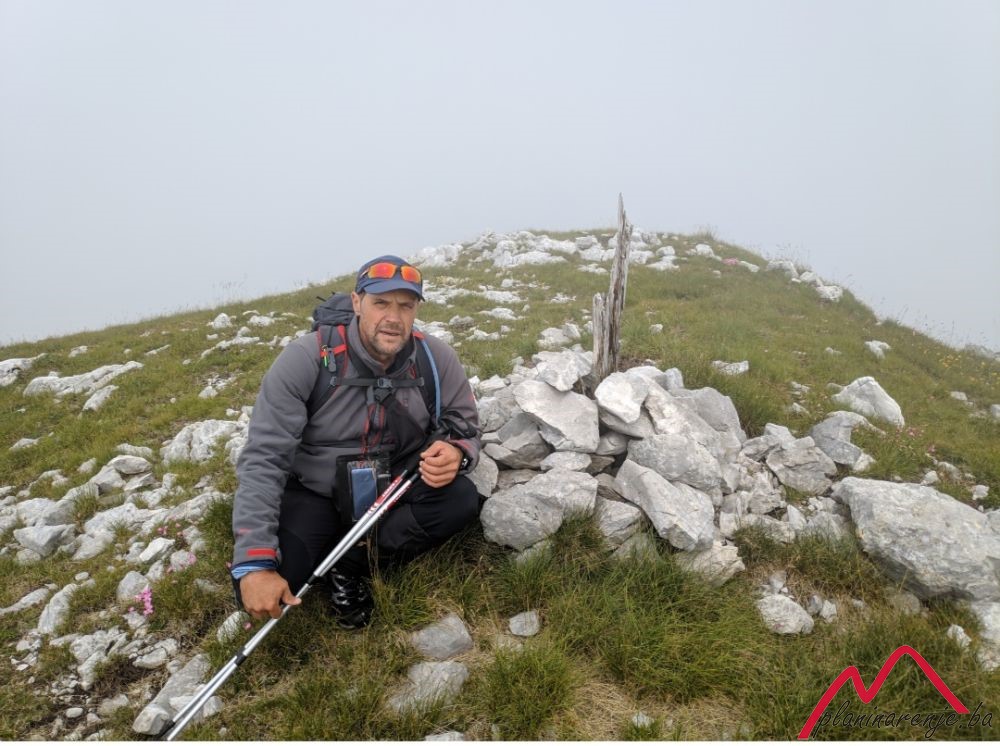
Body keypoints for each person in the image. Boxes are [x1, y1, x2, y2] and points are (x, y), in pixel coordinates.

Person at [230, 255, 482, 629]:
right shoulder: (306, 358)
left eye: (406, 306)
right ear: (356, 303)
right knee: (263, 583)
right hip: (315, 492)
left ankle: (349, 564)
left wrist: (457, 453)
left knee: (459, 500)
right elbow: (265, 458)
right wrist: (255, 561)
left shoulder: (435, 358)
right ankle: (326, 548)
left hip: (392, 489)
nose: (393, 317)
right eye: (381, 303)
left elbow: (464, 425)